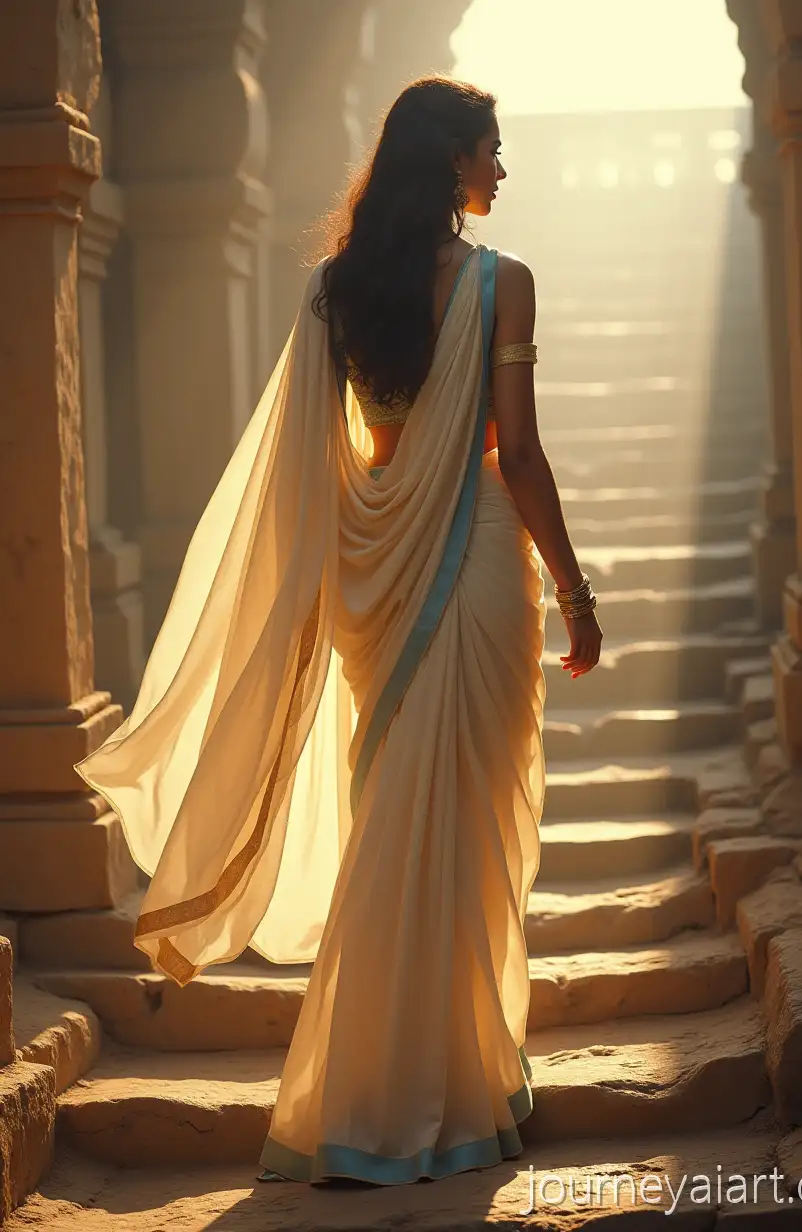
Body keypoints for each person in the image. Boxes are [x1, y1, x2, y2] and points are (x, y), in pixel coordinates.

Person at [73, 75, 602, 1187]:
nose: (501, 169)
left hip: (378, 572)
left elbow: (323, 464)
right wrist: (578, 588)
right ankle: (442, 1091)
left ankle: (400, 1088)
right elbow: (520, 453)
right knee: (458, 825)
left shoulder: (335, 290)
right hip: (474, 567)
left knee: (398, 822)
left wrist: (346, 561)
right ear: (451, 161)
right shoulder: (505, 285)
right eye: (490, 150)